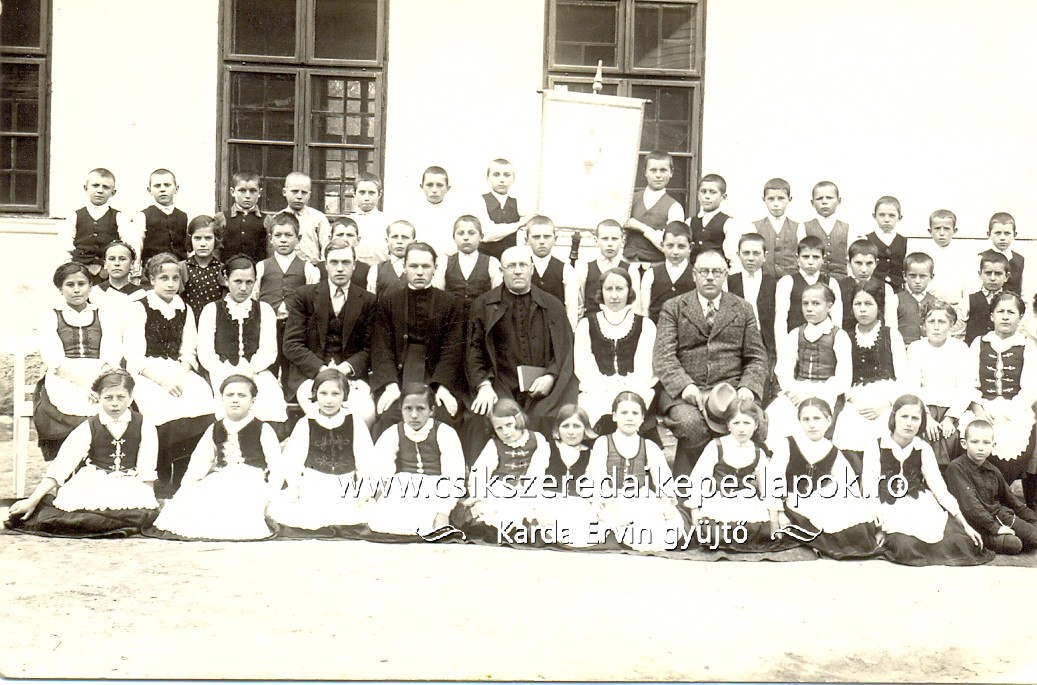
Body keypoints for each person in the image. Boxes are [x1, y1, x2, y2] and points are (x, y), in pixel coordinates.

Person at [653, 249, 768, 475]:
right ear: (694, 274)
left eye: (716, 272)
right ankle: (701, 478)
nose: (709, 277)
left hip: (731, 389)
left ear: (725, 275)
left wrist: (747, 387)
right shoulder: (673, 307)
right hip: (687, 391)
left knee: (755, 422)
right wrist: (685, 387)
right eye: (704, 271)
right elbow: (663, 356)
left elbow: (756, 356)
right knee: (691, 424)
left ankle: (739, 477)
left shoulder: (743, 308)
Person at [6, 369, 159, 537]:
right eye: (108, 398)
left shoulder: (144, 425)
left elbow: (147, 467)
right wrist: (33, 499)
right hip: (95, 481)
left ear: (130, 397)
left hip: (128, 482)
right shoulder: (89, 426)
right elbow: (63, 465)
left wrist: (148, 500)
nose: (115, 403)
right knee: (80, 516)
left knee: (141, 512)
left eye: (121, 397)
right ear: (98, 398)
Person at [466, 245, 578, 456]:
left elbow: (564, 349)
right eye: (511, 266)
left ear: (532, 269)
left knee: (547, 415)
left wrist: (551, 376)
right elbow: (474, 350)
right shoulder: (483, 305)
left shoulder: (552, 305)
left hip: (544, 386)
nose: (517, 271)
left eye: (523, 265)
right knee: (486, 415)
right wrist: (484, 385)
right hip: (500, 382)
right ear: (501, 270)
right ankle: (486, 471)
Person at [863, 394, 992, 566]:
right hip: (887, 506)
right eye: (904, 416)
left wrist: (965, 524)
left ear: (921, 422)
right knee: (905, 547)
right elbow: (869, 486)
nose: (909, 423)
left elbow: (939, 489)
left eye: (915, 418)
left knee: (958, 543)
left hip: (918, 505)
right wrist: (878, 528)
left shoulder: (923, 448)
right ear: (893, 417)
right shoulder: (876, 445)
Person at [123, 253, 215, 491]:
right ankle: (163, 473)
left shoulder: (184, 308)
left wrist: (181, 375)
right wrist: (162, 381)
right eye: (164, 278)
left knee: (201, 394)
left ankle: (186, 471)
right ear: (152, 279)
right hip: (147, 372)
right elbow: (133, 357)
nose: (170, 284)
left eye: (175, 278)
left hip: (177, 369)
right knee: (162, 404)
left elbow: (188, 350)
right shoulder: (139, 308)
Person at [150, 375, 281, 540]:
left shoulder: (262, 428)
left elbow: (276, 465)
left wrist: (271, 494)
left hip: (251, 479)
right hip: (222, 476)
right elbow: (201, 460)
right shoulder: (214, 428)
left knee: (240, 507)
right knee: (198, 503)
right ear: (222, 399)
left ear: (252, 401)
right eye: (230, 395)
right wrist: (186, 487)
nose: (235, 400)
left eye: (242, 395)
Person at [371, 242, 467, 437]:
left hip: (435, 377)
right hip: (399, 378)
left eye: (426, 266)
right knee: (389, 418)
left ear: (435, 268)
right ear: (404, 267)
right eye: (414, 266)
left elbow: (453, 349)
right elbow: (382, 347)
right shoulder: (388, 301)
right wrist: (390, 386)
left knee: (444, 417)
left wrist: (443, 387)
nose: (420, 272)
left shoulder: (451, 304)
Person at [767, 398, 883, 559]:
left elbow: (849, 484)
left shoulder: (832, 450)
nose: (811, 425)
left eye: (817, 418)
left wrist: (863, 509)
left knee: (855, 524)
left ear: (828, 420)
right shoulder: (788, 444)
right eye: (806, 419)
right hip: (792, 501)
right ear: (799, 421)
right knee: (817, 529)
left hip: (817, 500)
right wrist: (777, 515)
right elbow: (774, 478)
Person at [267, 368, 377, 531]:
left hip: (344, 485)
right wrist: (294, 487)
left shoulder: (354, 421)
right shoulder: (306, 422)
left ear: (344, 395)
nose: (329, 400)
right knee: (285, 510)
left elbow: (366, 460)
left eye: (335, 394)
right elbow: (292, 461)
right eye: (323, 393)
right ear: (315, 394)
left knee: (364, 513)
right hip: (314, 485)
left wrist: (364, 491)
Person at [282, 238, 377, 423]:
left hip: (350, 377)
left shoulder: (368, 300)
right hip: (311, 375)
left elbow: (370, 347)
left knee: (365, 414)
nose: (340, 268)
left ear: (354, 265)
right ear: (325, 265)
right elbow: (291, 344)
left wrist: (344, 369)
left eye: (346, 262)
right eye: (334, 262)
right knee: (322, 416)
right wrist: (322, 370)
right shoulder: (305, 295)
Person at [34, 262, 122, 459]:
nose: (76, 290)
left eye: (81, 284)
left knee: (112, 408)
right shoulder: (50, 315)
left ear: (90, 286)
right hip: (65, 376)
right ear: (60, 288)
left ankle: (101, 465)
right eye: (70, 285)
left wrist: (100, 384)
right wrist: (86, 384)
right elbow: (54, 359)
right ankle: (71, 467)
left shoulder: (103, 313)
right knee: (72, 410)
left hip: (101, 375)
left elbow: (111, 353)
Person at [961, 292, 1037, 503]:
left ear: (1020, 316)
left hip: (1015, 410)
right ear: (991, 315)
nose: (1005, 316)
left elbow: (1031, 388)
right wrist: (978, 409)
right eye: (1000, 311)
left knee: (1011, 439)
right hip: (982, 407)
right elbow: (967, 381)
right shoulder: (979, 343)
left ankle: (999, 499)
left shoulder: (1027, 346)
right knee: (971, 434)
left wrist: (1007, 414)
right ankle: (977, 499)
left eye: (1011, 312)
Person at [687, 399, 790, 552]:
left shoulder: (757, 452)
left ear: (756, 425)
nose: (741, 429)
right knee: (714, 531)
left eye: (747, 423)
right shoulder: (717, 447)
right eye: (736, 423)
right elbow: (698, 479)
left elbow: (768, 486)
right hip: (719, 500)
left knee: (759, 529)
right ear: (728, 425)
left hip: (745, 501)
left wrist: (774, 520)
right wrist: (695, 514)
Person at [366, 382, 466, 536]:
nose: (413, 415)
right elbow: (381, 468)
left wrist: (443, 511)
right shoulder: (393, 432)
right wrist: (377, 496)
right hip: (405, 487)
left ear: (431, 410)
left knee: (428, 523)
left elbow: (454, 473)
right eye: (408, 408)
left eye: (420, 409)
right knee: (384, 520)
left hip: (437, 489)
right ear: (401, 409)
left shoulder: (445, 433)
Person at [587, 391, 683, 552]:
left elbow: (663, 477)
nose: (629, 418)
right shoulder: (603, 443)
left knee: (663, 526)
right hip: (610, 499)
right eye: (624, 413)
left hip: (639, 500)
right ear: (614, 416)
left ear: (642, 418)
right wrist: (600, 500)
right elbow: (596, 474)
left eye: (635, 413)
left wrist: (666, 501)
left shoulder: (648, 446)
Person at [832, 280, 914, 466]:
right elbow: (842, 377)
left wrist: (885, 404)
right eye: (857, 304)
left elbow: (904, 377)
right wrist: (857, 401)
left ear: (879, 306)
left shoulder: (891, 335)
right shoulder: (845, 337)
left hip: (887, 398)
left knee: (886, 430)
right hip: (856, 399)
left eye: (868, 304)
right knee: (848, 426)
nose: (863, 310)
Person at [197, 255, 287, 424]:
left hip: (255, 373)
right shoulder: (211, 310)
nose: (244, 288)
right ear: (226, 280)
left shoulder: (264, 310)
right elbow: (205, 354)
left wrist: (250, 370)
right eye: (237, 281)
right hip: (221, 372)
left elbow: (269, 351)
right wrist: (226, 372)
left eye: (249, 282)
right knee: (227, 406)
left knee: (269, 402)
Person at [766, 283, 851, 451]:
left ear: (829, 306)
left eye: (816, 303)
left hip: (827, 392)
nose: (809, 308)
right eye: (805, 303)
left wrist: (821, 393)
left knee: (816, 419)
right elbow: (783, 369)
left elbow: (844, 376)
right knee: (776, 416)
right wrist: (792, 391)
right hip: (798, 390)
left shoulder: (839, 336)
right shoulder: (796, 334)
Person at [573, 267, 657, 426]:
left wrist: (625, 387)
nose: (614, 296)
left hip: (636, 389)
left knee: (630, 407)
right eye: (608, 289)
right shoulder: (586, 325)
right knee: (592, 406)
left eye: (619, 289)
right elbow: (583, 366)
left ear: (629, 291)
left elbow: (646, 367)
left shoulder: (646, 325)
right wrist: (604, 385)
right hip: (597, 391)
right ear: (601, 291)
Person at [945, 419, 1037, 555]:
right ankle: (987, 540)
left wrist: (1033, 519)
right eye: (975, 442)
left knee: (1033, 535)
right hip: (973, 524)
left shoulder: (993, 470)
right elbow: (971, 507)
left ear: (993, 445)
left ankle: (1018, 537)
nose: (980, 447)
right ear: (964, 443)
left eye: (986, 443)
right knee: (1015, 544)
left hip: (1000, 518)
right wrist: (995, 528)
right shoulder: (956, 468)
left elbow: (1012, 500)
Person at [463, 399, 551, 539]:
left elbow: (539, 468)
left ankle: (527, 528)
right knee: (495, 508)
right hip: (501, 489)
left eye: (509, 425)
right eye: (499, 428)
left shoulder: (537, 439)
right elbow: (480, 472)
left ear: (519, 419)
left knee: (536, 508)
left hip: (529, 488)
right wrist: (478, 497)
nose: (506, 432)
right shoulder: (494, 445)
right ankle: (497, 528)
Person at [254, 211, 321, 393]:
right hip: (268, 326)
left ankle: (291, 397)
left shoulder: (308, 269)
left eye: (288, 235)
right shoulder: (262, 267)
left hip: (295, 327)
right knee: (269, 365)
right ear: (270, 239)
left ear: (298, 239)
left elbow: (313, 301)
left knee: (292, 366)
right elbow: (255, 296)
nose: (283, 240)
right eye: (278, 235)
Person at [907, 301, 972, 467]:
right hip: (924, 408)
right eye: (931, 322)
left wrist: (950, 418)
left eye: (942, 322)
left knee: (951, 437)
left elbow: (965, 387)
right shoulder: (916, 348)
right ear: (923, 325)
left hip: (952, 410)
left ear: (951, 324)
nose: (936, 327)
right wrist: (927, 417)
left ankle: (947, 475)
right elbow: (912, 386)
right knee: (926, 433)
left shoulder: (961, 348)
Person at [527, 404, 598, 547]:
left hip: (575, 502)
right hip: (549, 500)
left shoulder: (590, 454)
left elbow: (591, 484)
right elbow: (533, 479)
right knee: (544, 524)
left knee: (584, 531)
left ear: (585, 429)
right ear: (557, 429)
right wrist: (537, 507)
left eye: (576, 426)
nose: (571, 432)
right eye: (565, 426)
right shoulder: (548, 448)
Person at [63, 168, 133, 283]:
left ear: (113, 192)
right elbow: (64, 246)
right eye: (95, 185)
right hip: (79, 273)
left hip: (108, 275)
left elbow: (127, 248)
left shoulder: (119, 217)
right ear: (86, 188)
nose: (100, 191)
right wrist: (72, 270)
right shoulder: (74, 216)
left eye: (106, 187)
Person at [773, 235, 843, 350]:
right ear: (797, 258)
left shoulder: (831, 282)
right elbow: (781, 320)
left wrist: (833, 348)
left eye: (816, 257)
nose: (810, 262)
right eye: (805, 257)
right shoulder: (787, 282)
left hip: (824, 346)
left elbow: (837, 319)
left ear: (823, 259)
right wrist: (783, 351)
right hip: (795, 344)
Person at [623, 151, 685, 269]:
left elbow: (670, 244)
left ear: (671, 173)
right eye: (653, 170)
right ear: (645, 172)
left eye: (663, 170)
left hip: (657, 268)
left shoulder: (675, 207)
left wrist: (641, 227)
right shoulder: (631, 199)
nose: (658, 175)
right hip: (627, 265)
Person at [726, 232, 778, 368]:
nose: (750, 258)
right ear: (738, 255)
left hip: (765, 342)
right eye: (746, 253)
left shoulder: (773, 283)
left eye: (756, 253)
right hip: (737, 342)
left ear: (765, 256)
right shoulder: (729, 282)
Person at [431, 215, 503, 311]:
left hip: (482, 316)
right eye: (460, 233)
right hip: (452, 317)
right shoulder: (444, 262)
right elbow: (437, 294)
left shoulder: (492, 263)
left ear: (481, 237)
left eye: (471, 233)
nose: (466, 238)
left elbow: (497, 295)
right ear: (454, 238)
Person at [576, 219, 640, 319]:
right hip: (592, 322)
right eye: (605, 239)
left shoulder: (631, 270)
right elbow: (579, 305)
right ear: (596, 241)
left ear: (623, 241)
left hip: (621, 322)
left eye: (614, 239)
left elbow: (635, 306)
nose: (610, 244)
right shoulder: (585, 268)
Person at [526, 215, 579, 329]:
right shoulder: (522, 267)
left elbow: (571, 309)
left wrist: (569, 333)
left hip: (555, 330)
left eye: (547, 236)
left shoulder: (566, 270)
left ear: (555, 239)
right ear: (527, 240)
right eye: (536, 237)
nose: (542, 241)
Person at [923, 209, 969, 339]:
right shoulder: (924, 255)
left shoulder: (962, 255)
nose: (942, 233)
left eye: (947, 229)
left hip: (956, 310)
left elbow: (968, 287)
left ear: (954, 231)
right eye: (937, 228)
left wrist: (962, 313)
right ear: (930, 231)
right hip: (931, 309)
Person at [474, 158, 532, 261]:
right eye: (496, 175)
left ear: (513, 178)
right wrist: (519, 224)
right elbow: (487, 234)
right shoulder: (480, 200)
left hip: (511, 260)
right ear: (487, 178)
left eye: (507, 175)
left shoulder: (518, 202)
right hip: (485, 258)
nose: (502, 180)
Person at [836, 239, 897, 332]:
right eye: (858, 263)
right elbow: (836, 321)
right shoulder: (838, 286)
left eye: (869, 263)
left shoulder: (885, 288)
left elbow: (891, 322)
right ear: (848, 263)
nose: (864, 269)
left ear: (876, 263)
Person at [639, 222, 694, 323]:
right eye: (670, 246)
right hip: (656, 328)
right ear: (662, 245)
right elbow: (645, 311)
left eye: (681, 246)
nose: (675, 252)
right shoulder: (651, 274)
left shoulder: (696, 275)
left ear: (690, 247)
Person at [89, 241, 146, 337]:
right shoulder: (94, 293)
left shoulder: (141, 295)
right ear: (105, 264)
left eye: (122, 259)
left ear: (132, 264)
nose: (116, 263)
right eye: (111, 259)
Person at [687, 173, 744, 270]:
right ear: (698, 195)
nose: (707, 196)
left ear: (723, 197)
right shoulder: (690, 222)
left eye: (712, 192)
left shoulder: (728, 223)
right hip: (694, 273)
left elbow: (733, 257)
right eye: (703, 192)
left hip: (717, 273)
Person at [178, 215, 227, 324]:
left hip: (215, 324)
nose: (203, 244)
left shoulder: (222, 269)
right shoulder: (181, 268)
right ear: (190, 239)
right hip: (188, 324)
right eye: (197, 238)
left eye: (208, 238)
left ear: (216, 239)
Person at [136, 168, 188, 266]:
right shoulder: (143, 216)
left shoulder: (183, 216)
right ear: (149, 190)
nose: (162, 189)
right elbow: (137, 248)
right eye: (157, 186)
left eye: (167, 185)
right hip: (153, 268)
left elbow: (187, 246)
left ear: (176, 189)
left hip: (178, 268)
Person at [214, 171, 267, 265]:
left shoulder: (267, 220)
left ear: (260, 193)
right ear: (232, 192)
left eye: (253, 191)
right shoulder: (221, 218)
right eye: (242, 190)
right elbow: (216, 250)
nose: (247, 196)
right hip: (227, 270)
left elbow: (270, 251)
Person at [801, 180, 850, 281]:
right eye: (819, 198)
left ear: (839, 201)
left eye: (829, 198)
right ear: (812, 203)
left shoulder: (848, 228)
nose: (824, 202)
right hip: (814, 279)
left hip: (842, 279)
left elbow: (852, 258)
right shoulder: (804, 227)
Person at [751, 177, 799, 278]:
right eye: (771, 199)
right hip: (764, 281)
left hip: (791, 281)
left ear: (789, 199)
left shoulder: (799, 227)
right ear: (764, 200)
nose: (776, 204)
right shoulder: (754, 227)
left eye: (781, 198)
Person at [281, 171, 331, 264]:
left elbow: (326, 247)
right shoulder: (279, 218)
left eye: (304, 192)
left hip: (313, 266)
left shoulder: (318, 218)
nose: (299, 196)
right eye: (295, 191)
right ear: (284, 192)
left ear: (309, 195)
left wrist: (322, 267)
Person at [963, 252, 1010, 345]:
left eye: (998, 274)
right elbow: (958, 334)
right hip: (974, 350)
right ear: (980, 274)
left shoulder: (1012, 301)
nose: (992, 278)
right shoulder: (968, 301)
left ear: (1006, 277)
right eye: (988, 273)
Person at [864, 196, 907, 291]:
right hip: (873, 288)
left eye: (892, 215)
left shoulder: (904, 241)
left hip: (897, 289)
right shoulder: (867, 239)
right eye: (882, 215)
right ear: (874, 216)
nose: (886, 219)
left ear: (899, 218)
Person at [978, 212, 1024, 300]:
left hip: (1013, 305)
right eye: (997, 233)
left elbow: (1024, 291)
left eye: (1007, 233)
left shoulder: (1020, 260)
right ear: (989, 234)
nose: (1002, 238)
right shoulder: (981, 258)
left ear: (1014, 235)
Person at [366, 220, 416, 299]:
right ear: (387, 241)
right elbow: (371, 301)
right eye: (394, 237)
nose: (399, 241)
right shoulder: (376, 270)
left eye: (405, 237)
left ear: (414, 242)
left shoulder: (421, 268)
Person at [897, 252, 938, 345]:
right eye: (913, 276)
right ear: (904, 276)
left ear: (931, 277)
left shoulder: (935, 302)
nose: (917, 281)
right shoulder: (896, 300)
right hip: (904, 347)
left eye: (923, 276)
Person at [349, 172, 389, 265]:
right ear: (354, 194)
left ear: (379, 194)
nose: (366, 198)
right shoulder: (348, 221)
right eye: (362, 192)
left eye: (371, 193)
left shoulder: (387, 221)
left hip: (380, 268)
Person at [319, 217, 370, 289]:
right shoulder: (319, 269)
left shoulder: (366, 270)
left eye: (350, 235)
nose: (345, 239)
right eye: (340, 235)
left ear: (358, 240)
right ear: (330, 238)